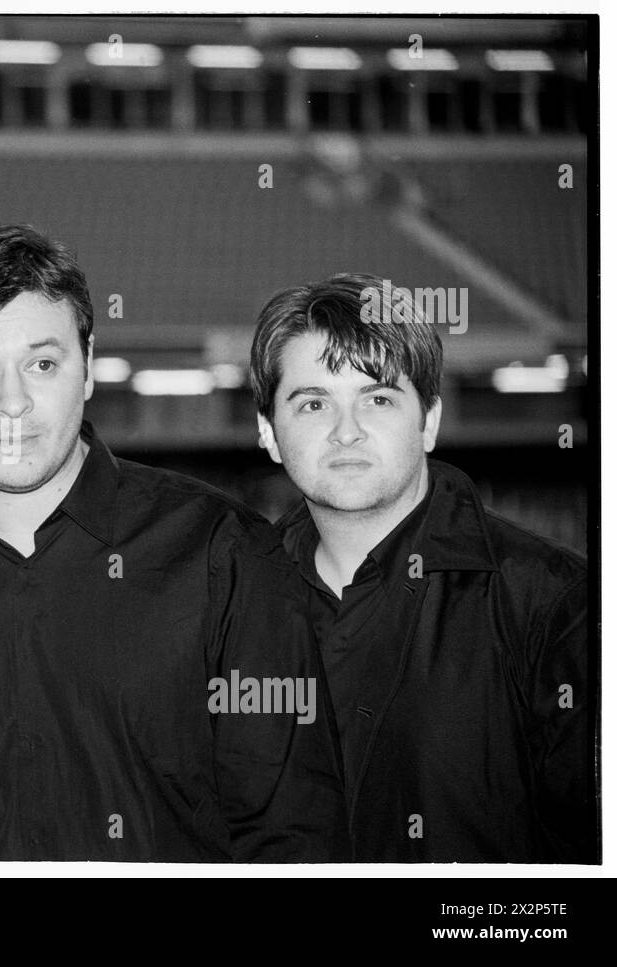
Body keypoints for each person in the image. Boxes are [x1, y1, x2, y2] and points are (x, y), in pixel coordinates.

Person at [0, 224, 347, 861]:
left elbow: (292, 839)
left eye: (42, 364)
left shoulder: (222, 556)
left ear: (88, 367)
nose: (13, 403)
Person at [249, 272, 595, 862]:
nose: (346, 431)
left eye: (378, 398)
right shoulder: (230, 607)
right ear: (269, 433)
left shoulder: (556, 604)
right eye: (313, 403)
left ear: (429, 419)